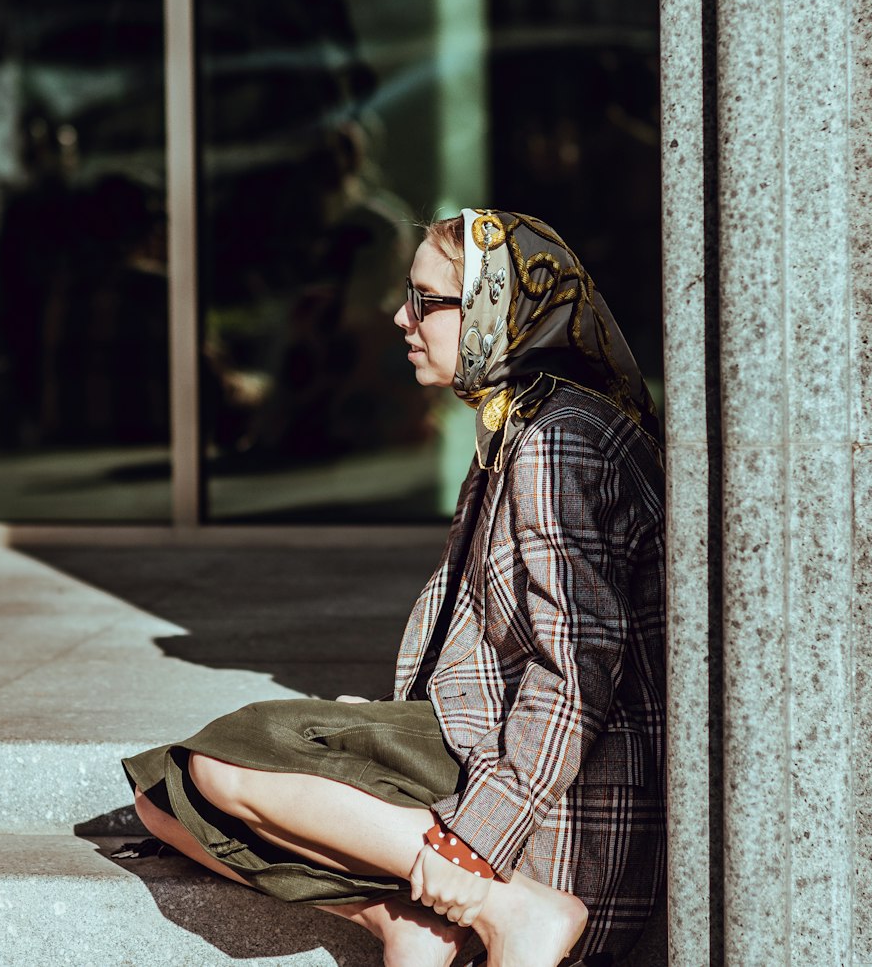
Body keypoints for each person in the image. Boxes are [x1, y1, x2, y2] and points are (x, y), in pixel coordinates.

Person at [125, 209, 666, 967]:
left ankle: (508, 907)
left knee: (223, 762)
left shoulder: (557, 441)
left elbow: (575, 678)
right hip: (477, 740)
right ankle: (396, 919)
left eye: (425, 299)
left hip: (565, 816)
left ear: (495, 309)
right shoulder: (520, 422)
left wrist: (471, 843)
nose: (400, 316)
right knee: (161, 795)